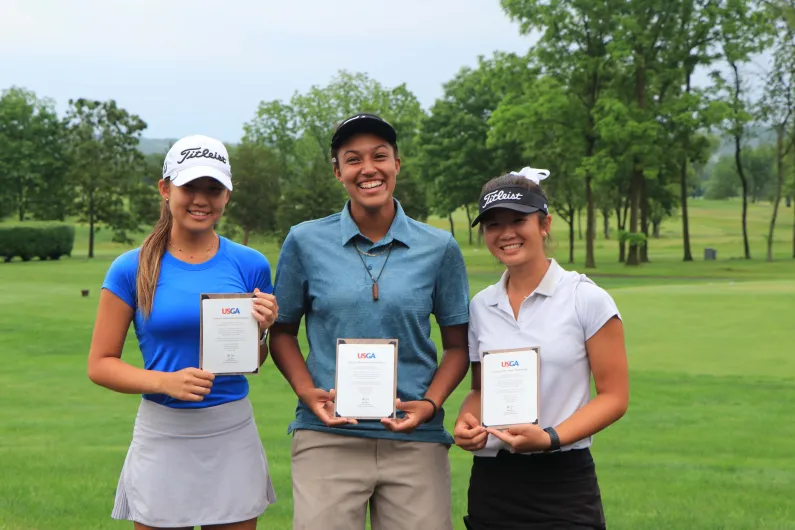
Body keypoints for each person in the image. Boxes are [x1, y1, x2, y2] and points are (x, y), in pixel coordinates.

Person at [269, 113, 471, 530]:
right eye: (353, 159)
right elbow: (282, 332)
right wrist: (309, 394)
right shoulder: (305, 241)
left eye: (380, 156)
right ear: (337, 170)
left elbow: (458, 345)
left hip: (415, 440)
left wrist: (431, 404)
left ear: (397, 163)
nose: (368, 169)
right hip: (327, 438)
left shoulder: (439, 247)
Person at [87, 134, 279, 530]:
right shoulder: (131, 267)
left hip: (231, 430)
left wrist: (260, 333)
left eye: (213, 188)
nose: (201, 199)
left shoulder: (251, 264)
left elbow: (252, 360)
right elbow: (100, 364)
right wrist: (165, 382)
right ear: (165, 188)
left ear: (228, 194)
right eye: (189, 186)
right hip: (163, 431)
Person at [454, 168, 629, 530]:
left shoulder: (586, 298)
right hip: (493, 481)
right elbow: (479, 390)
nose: (505, 233)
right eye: (492, 225)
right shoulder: (481, 306)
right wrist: (466, 423)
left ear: (544, 224)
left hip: (562, 480)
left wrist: (550, 438)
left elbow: (614, 397)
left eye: (518, 220)